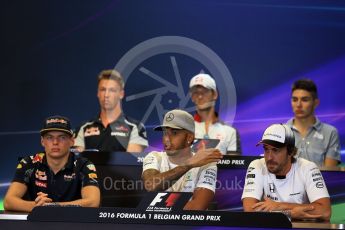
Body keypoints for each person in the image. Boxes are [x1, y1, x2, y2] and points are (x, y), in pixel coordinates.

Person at [4, 116, 100, 212]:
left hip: (72, 224)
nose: (55, 142)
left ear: (71, 141)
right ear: (42, 141)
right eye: (49, 137)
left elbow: (93, 202)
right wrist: (37, 206)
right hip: (36, 224)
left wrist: (52, 207)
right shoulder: (29, 162)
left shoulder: (83, 165)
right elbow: (8, 202)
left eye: (62, 137)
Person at [241, 124, 331, 221]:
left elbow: (325, 211)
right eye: (266, 149)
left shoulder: (308, 168)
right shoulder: (257, 165)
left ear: (290, 151)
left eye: (275, 150)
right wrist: (290, 214)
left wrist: (279, 206)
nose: (269, 157)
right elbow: (250, 210)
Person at [142, 109, 223, 210]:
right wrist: (187, 165)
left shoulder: (207, 164)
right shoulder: (154, 157)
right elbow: (151, 185)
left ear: (189, 138)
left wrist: (158, 206)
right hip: (157, 225)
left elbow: (197, 207)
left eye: (174, 133)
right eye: (165, 133)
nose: (166, 139)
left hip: (190, 225)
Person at [74, 69, 148, 153]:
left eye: (112, 90)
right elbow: (78, 161)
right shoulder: (83, 128)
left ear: (121, 94)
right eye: (103, 89)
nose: (106, 95)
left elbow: (130, 162)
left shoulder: (135, 127)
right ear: (98, 93)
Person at [287, 79, 341, 167]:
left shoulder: (330, 133)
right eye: (295, 99)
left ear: (316, 103)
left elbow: (330, 174)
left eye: (305, 100)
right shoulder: (281, 131)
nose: (298, 105)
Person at [189, 73, 241, 155]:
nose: (200, 97)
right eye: (195, 93)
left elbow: (234, 165)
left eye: (204, 92)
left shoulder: (230, 132)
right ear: (192, 97)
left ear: (215, 94)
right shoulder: (184, 130)